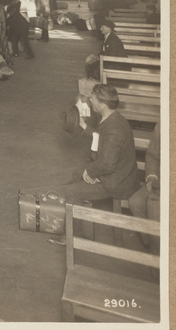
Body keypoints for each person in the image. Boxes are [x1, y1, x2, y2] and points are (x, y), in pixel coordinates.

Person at [48, 84, 139, 246]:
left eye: (93, 99)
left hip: (117, 182)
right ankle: (77, 218)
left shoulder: (114, 130)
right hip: (116, 174)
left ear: (102, 105)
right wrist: (83, 126)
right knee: (77, 175)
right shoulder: (111, 118)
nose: (90, 101)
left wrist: (90, 172)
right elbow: (98, 136)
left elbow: (107, 164)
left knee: (72, 191)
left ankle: (71, 236)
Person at [128, 121, 160, 249]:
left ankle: (159, 248)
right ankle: (152, 246)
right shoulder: (162, 125)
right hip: (160, 179)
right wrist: (152, 177)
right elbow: (152, 155)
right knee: (135, 201)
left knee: (155, 205)